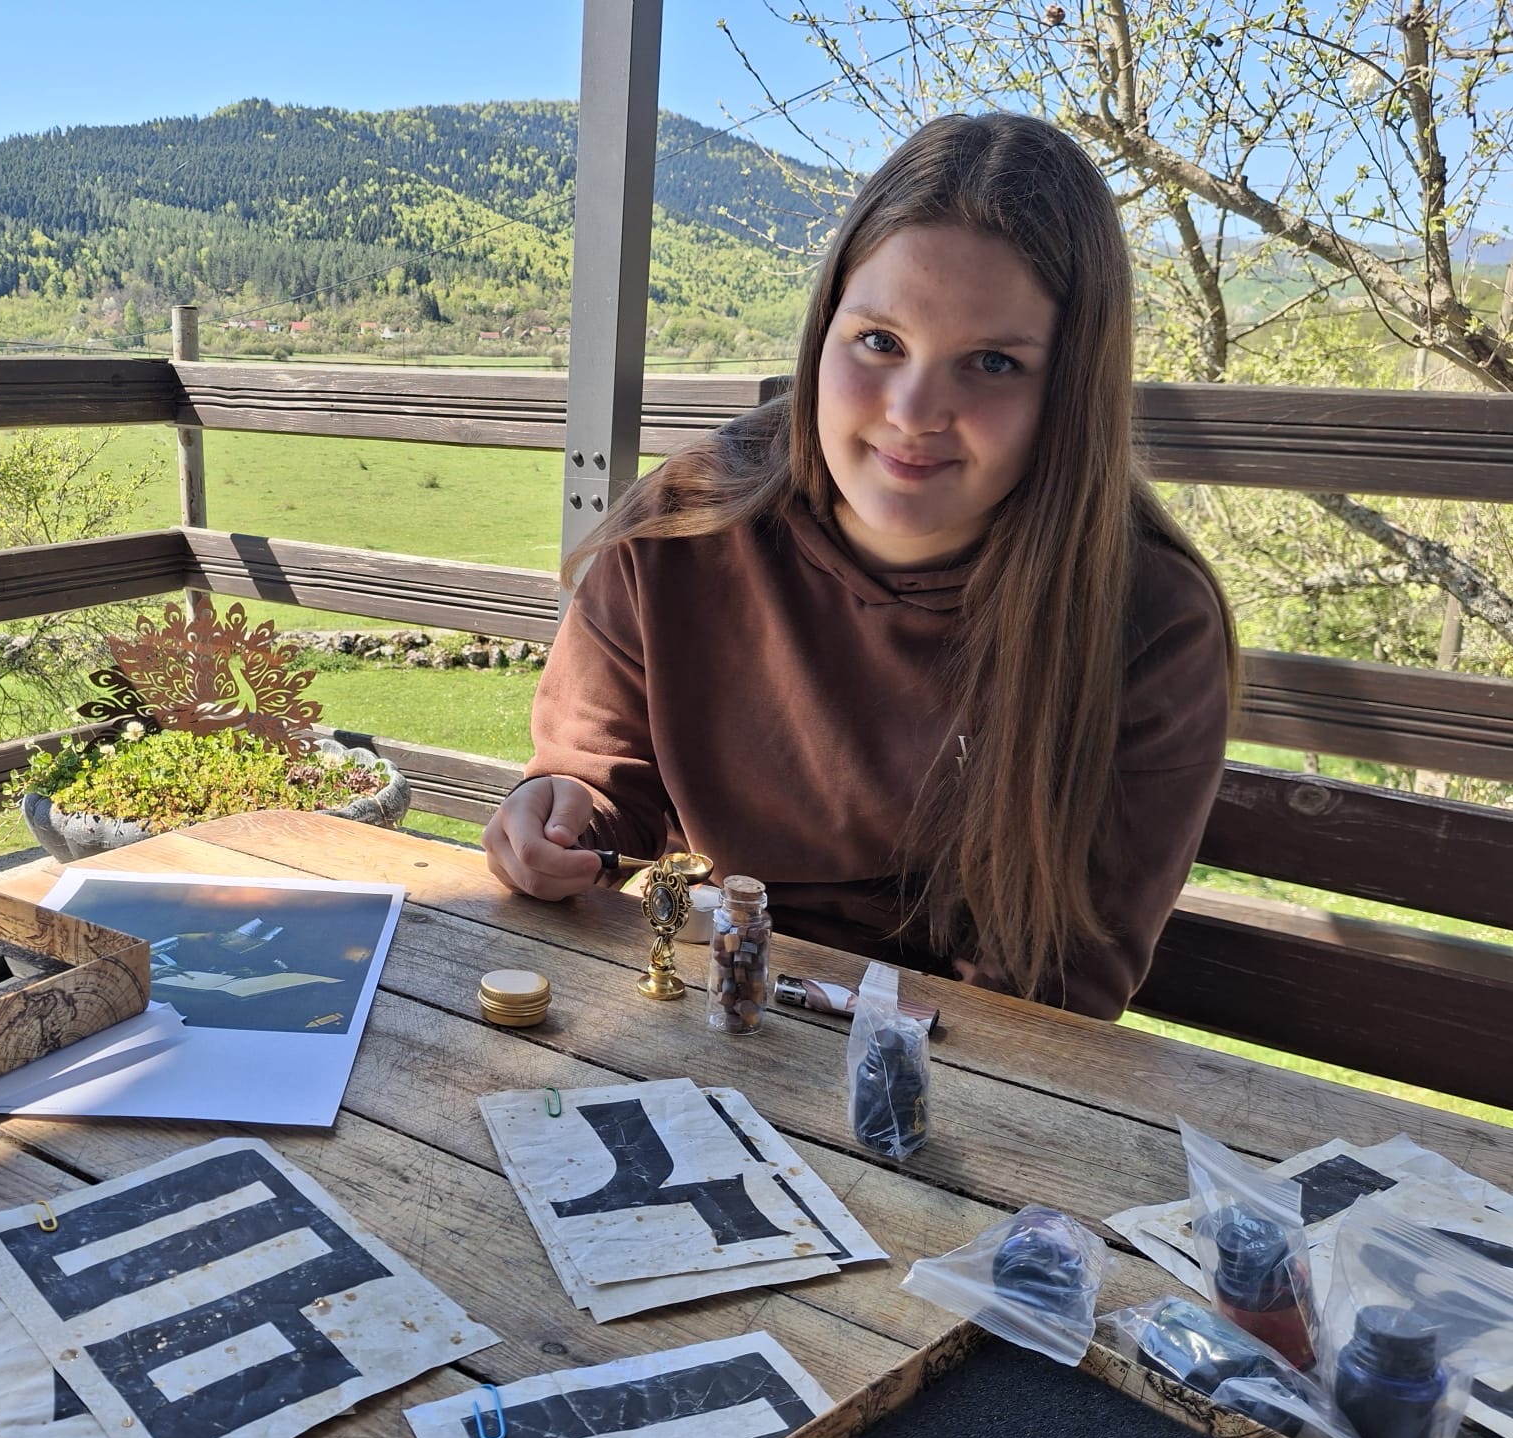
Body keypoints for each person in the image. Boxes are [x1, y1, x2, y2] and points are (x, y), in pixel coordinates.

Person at [482, 113, 1236, 1020]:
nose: (914, 411)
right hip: (705, 1013)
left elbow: (1055, 993)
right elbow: (602, 778)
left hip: (951, 1064)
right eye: (880, 341)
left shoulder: (1146, 620)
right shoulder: (688, 526)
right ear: (823, 332)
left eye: (993, 361)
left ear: (1070, 390)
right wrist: (560, 810)